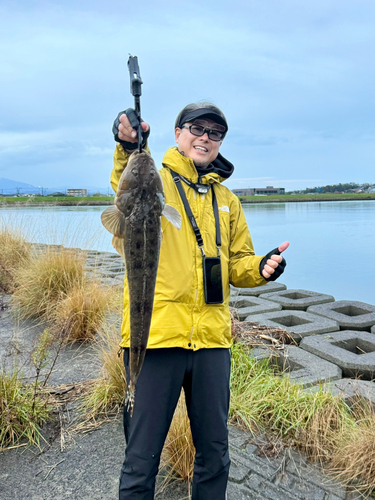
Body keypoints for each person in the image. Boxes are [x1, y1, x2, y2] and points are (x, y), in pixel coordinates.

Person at [110, 102, 289, 500]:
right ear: (178, 133)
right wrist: (128, 142)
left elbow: (238, 263)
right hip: (157, 338)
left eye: (216, 132)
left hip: (211, 342)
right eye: (196, 128)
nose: (205, 137)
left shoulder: (227, 199)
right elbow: (125, 179)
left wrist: (260, 268)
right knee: (141, 460)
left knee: (216, 455)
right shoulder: (159, 179)